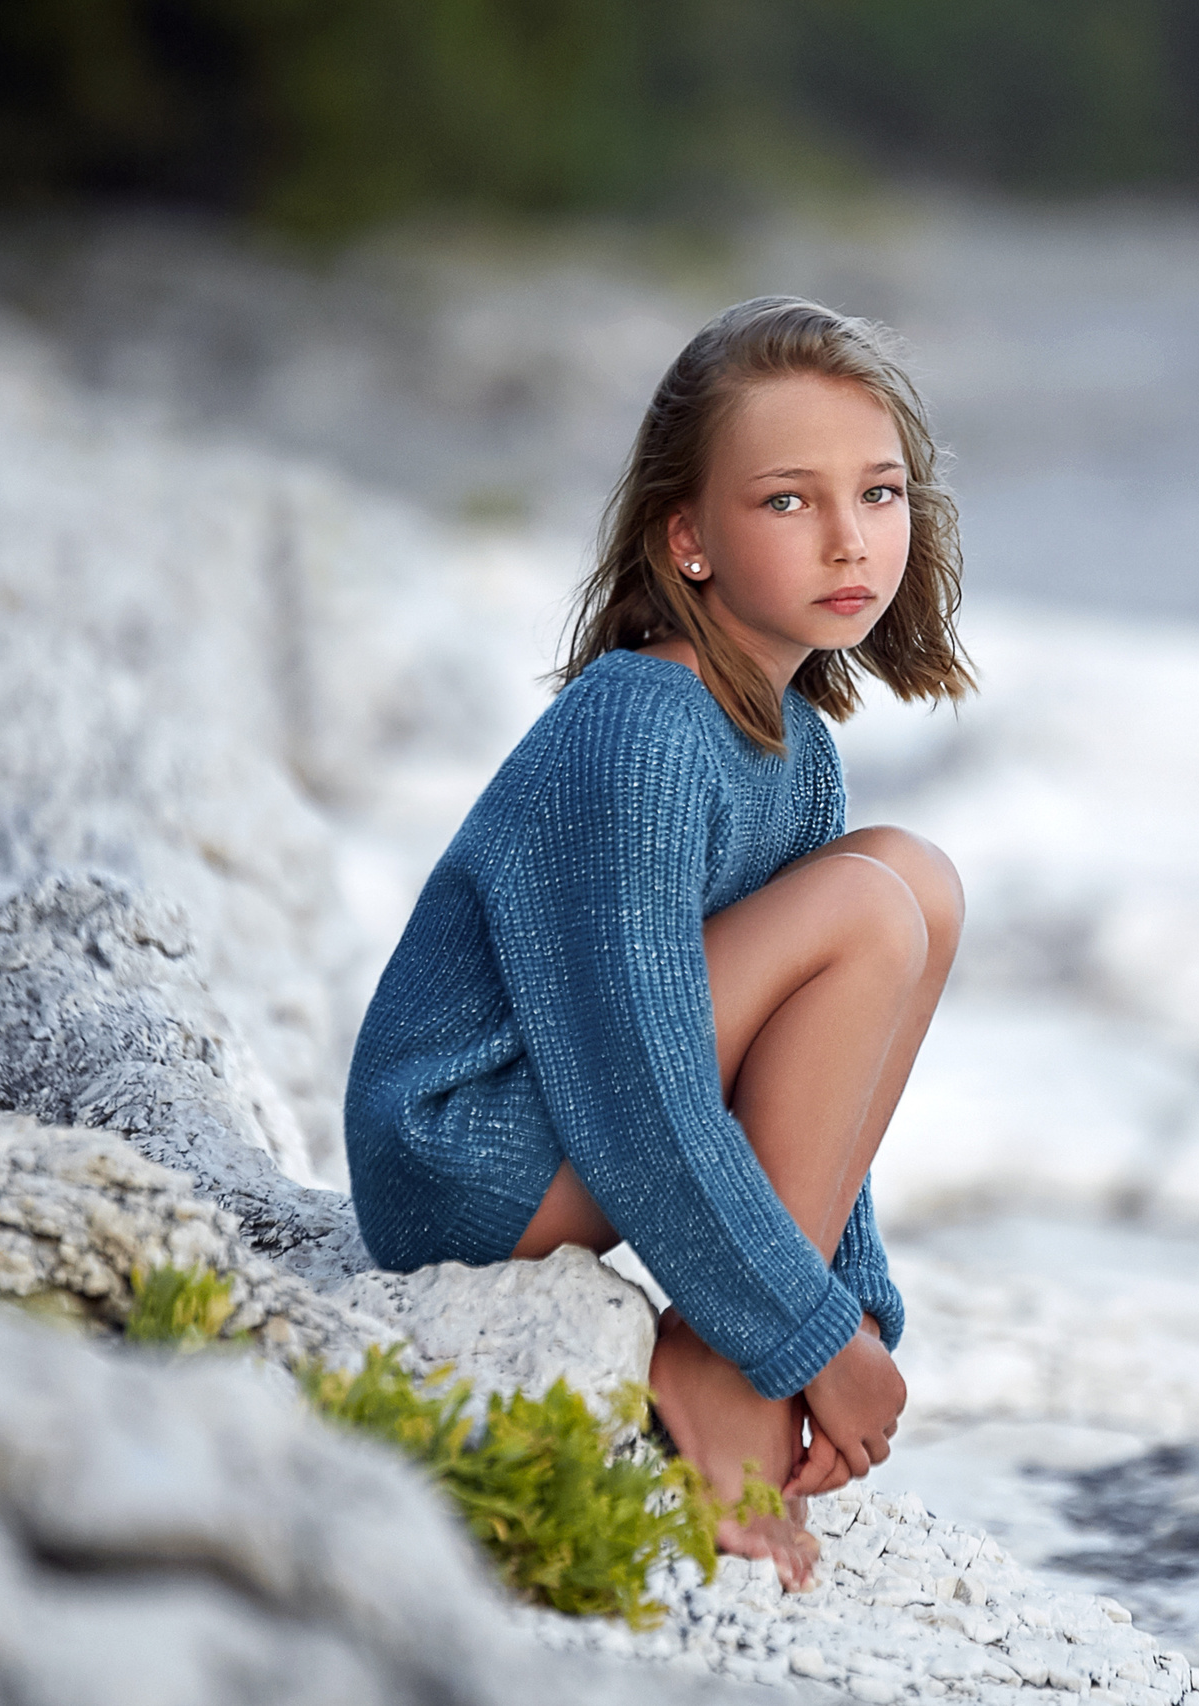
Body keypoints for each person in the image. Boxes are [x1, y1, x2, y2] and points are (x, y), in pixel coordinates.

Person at [343, 296, 971, 1587]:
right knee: (869, 906)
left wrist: (846, 1309)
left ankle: (730, 1339)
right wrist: (794, 1339)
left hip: (569, 1124)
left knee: (919, 882)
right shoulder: (642, 725)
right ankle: (715, 1369)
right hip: (466, 1151)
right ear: (687, 539)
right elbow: (641, 1086)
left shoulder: (797, 754)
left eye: (881, 492)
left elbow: (810, 1071)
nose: (851, 537)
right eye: (789, 502)